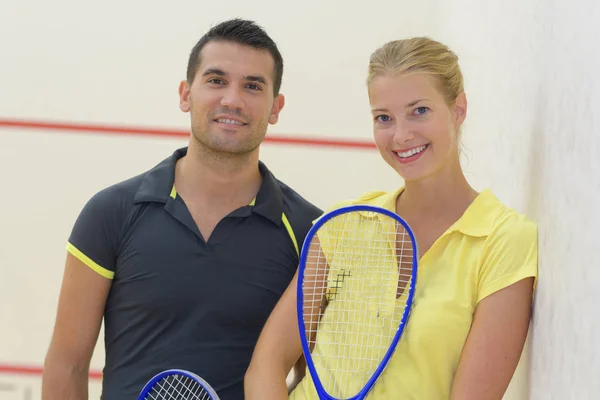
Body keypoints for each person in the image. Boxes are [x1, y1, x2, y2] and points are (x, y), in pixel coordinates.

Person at [41, 18, 322, 400]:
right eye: (216, 80)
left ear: (276, 107)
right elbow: (67, 365)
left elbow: (311, 378)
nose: (232, 100)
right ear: (185, 94)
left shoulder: (310, 232)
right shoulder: (111, 213)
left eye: (252, 86)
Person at [244, 36, 538, 399]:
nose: (400, 135)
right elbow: (267, 364)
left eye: (420, 111)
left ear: (458, 108)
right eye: (384, 118)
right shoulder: (341, 226)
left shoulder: (504, 240)